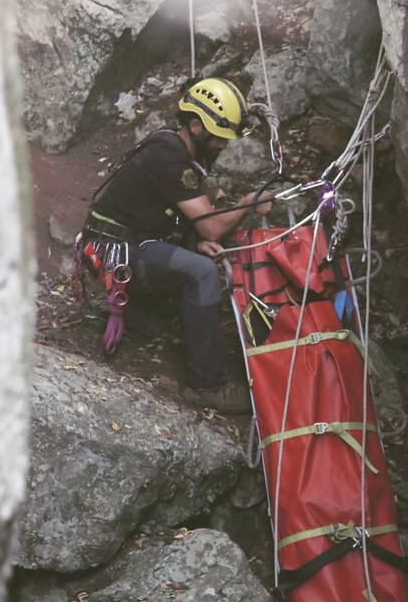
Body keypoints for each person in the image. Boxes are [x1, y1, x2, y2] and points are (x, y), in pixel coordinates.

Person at [81, 77, 273, 413]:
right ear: (196, 126)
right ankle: (207, 384)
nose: (223, 145)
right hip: (116, 250)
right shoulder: (168, 157)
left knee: (197, 256)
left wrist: (195, 240)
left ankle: (143, 309)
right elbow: (212, 227)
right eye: (219, 138)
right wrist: (248, 204)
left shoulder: (178, 149)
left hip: (129, 240)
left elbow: (188, 211)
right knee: (201, 273)